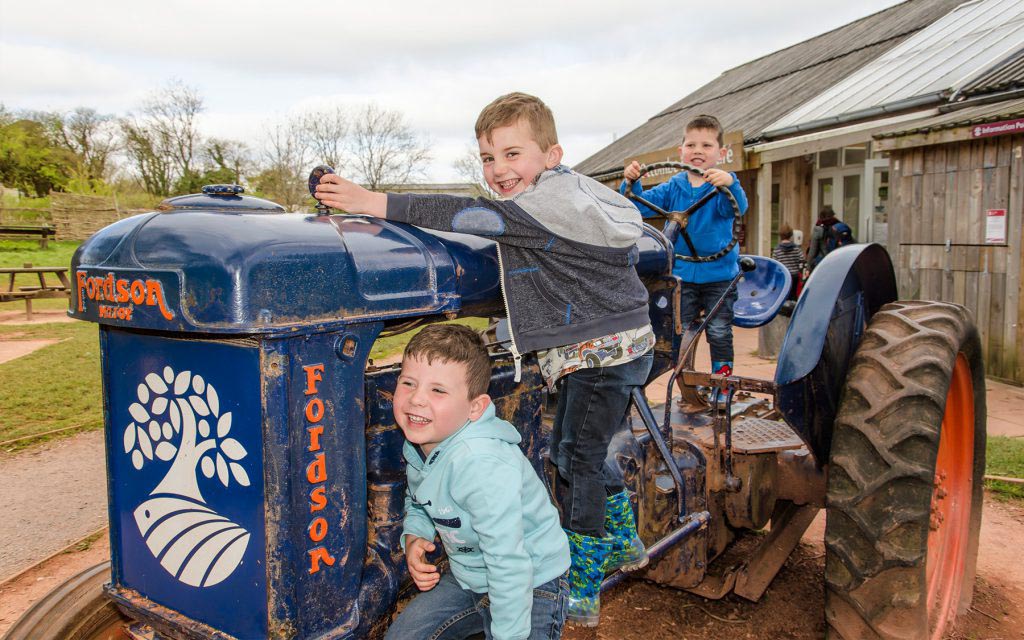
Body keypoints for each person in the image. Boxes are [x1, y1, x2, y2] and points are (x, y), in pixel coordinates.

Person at [315, 92, 655, 627]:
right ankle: (627, 537)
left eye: (512, 154)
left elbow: (463, 213)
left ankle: (586, 573)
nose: (498, 170)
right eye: (488, 158)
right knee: (576, 445)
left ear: (552, 154)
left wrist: (373, 202)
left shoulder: (541, 207)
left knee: (575, 459)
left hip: (600, 351)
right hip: (613, 343)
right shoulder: (578, 195)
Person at [382, 324, 570, 640]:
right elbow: (419, 500)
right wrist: (415, 534)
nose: (416, 400)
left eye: (437, 390)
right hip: (471, 577)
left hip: (532, 579)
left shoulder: (481, 464)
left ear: (475, 407)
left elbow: (508, 562)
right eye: (408, 382)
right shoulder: (419, 442)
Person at [620, 114, 748, 381]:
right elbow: (638, 204)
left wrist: (731, 184)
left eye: (706, 145)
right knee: (677, 331)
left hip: (719, 276)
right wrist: (632, 181)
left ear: (721, 153)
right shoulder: (674, 187)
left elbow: (737, 207)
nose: (698, 151)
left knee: (719, 331)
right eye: (691, 145)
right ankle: (682, 380)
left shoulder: (722, 187)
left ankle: (722, 383)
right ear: (681, 151)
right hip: (682, 275)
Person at [807, 205, 855, 270]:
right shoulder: (840, 226)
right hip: (843, 263)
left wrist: (808, 268)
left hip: (825, 263)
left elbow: (812, 251)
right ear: (833, 216)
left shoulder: (818, 228)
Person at [771, 223, 805, 301]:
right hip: (794, 276)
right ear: (791, 235)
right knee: (793, 296)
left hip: (783, 276)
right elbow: (802, 260)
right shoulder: (796, 249)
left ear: (780, 235)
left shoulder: (777, 250)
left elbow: (774, 264)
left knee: (783, 295)